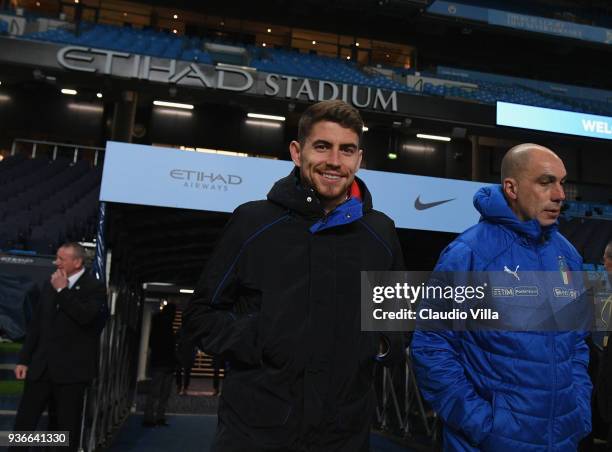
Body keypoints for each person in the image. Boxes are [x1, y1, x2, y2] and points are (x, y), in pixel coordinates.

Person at [181, 99, 405, 451]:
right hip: (255, 434)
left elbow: (397, 326)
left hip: (343, 436)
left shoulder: (382, 232)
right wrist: (262, 337)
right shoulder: (252, 222)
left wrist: (374, 345)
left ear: (359, 160)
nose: (335, 161)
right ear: (297, 153)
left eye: (347, 150)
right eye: (322, 147)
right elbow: (200, 316)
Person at [411, 144, 592, 451]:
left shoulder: (568, 255)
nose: (560, 194)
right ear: (511, 187)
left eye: (562, 182)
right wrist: (484, 425)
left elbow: (576, 342)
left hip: (561, 440)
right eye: (546, 182)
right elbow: (432, 347)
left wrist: (578, 410)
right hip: (487, 442)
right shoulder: (468, 253)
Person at [13, 242, 107, 452]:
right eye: (56, 258)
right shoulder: (50, 284)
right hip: (41, 368)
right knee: (24, 425)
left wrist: (63, 291)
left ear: (77, 262)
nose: (56, 262)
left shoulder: (95, 287)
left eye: (61, 259)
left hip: (71, 374)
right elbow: (37, 325)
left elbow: (85, 317)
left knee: (65, 430)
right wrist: (24, 359)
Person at [143, 302, 177, 427]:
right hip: (167, 362)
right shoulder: (168, 327)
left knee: (154, 391)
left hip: (158, 361)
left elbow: (152, 343)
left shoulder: (158, 324)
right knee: (164, 393)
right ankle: (159, 417)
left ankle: (149, 417)